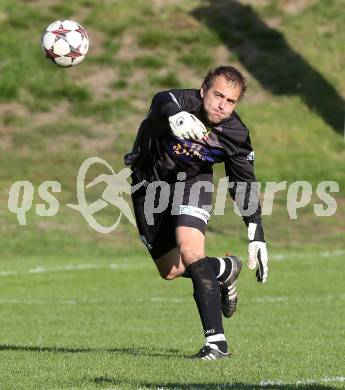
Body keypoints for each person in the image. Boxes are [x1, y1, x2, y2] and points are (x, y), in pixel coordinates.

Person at [124, 66, 268, 360]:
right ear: (203, 90)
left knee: (191, 252)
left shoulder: (235, 134)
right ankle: (224, 269)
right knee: (170, 270)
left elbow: (244, 183)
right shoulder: (177, 103)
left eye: (230, 101)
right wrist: (173, 117)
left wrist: (256, 233)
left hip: (193, 183)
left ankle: (217, 344)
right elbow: (161, 100)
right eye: (217, 95)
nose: (221, 105)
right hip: (147, 186)